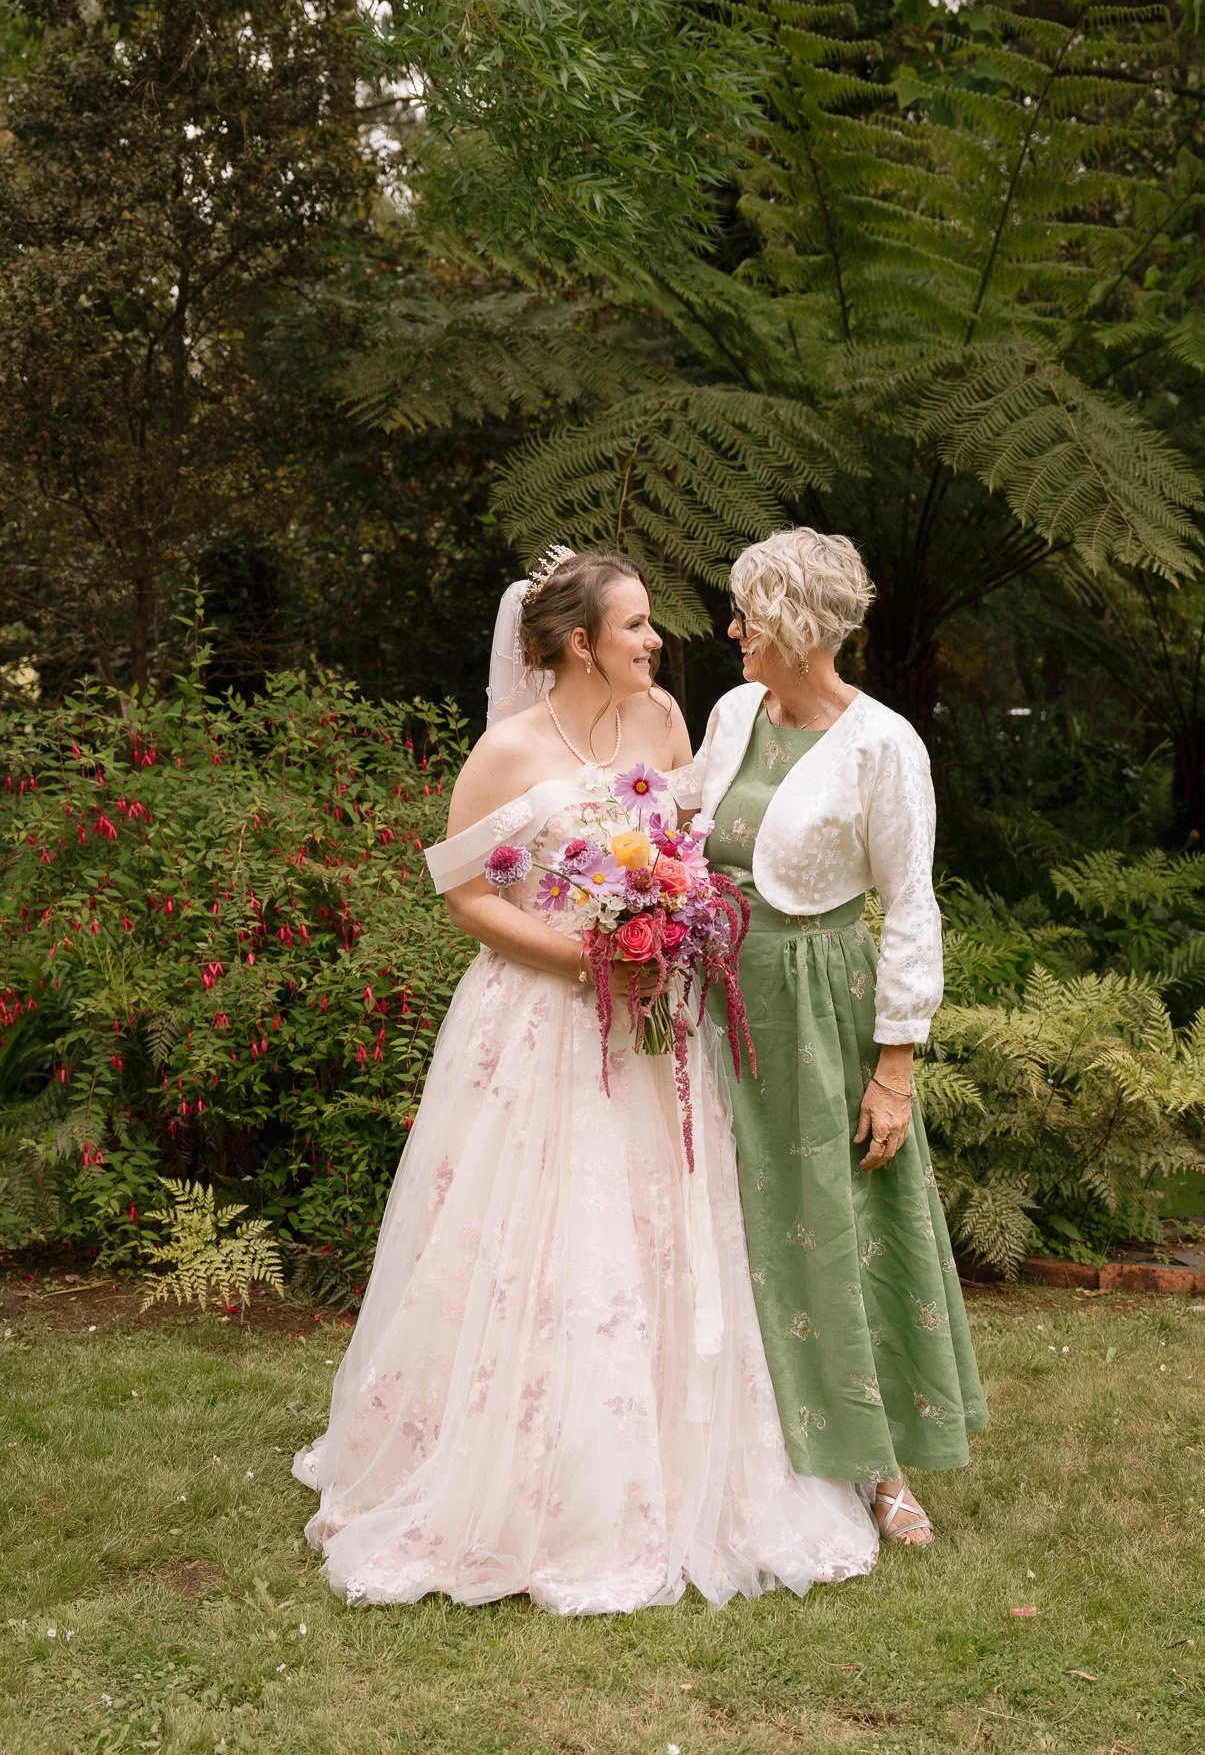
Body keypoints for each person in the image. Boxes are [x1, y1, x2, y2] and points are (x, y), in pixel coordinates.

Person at [294, 547, 878, 1613]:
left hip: (656, 1029)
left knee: (665, 1229)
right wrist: (589, 956)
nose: (657, 642)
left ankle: (678, 1460)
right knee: (542, 1232)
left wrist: (672, 924)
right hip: (542, 1020)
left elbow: (690, 845)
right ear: (578, 642)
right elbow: (463, 893)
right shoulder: (507, 750)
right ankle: (517, 1474)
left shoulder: (663, 723)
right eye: (637, 625)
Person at [682, 529, 987, 1547]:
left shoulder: (883, 743)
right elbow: (683, 822)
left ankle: (879, 1462)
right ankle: (731, 1449)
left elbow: (910, 905)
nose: (732, 630)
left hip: (817, 1004)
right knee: (719, 1216)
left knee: (834, 1218)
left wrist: (894, 1066)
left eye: (748, 615)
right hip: (707, 996)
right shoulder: (731, 712)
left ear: (797, 627)